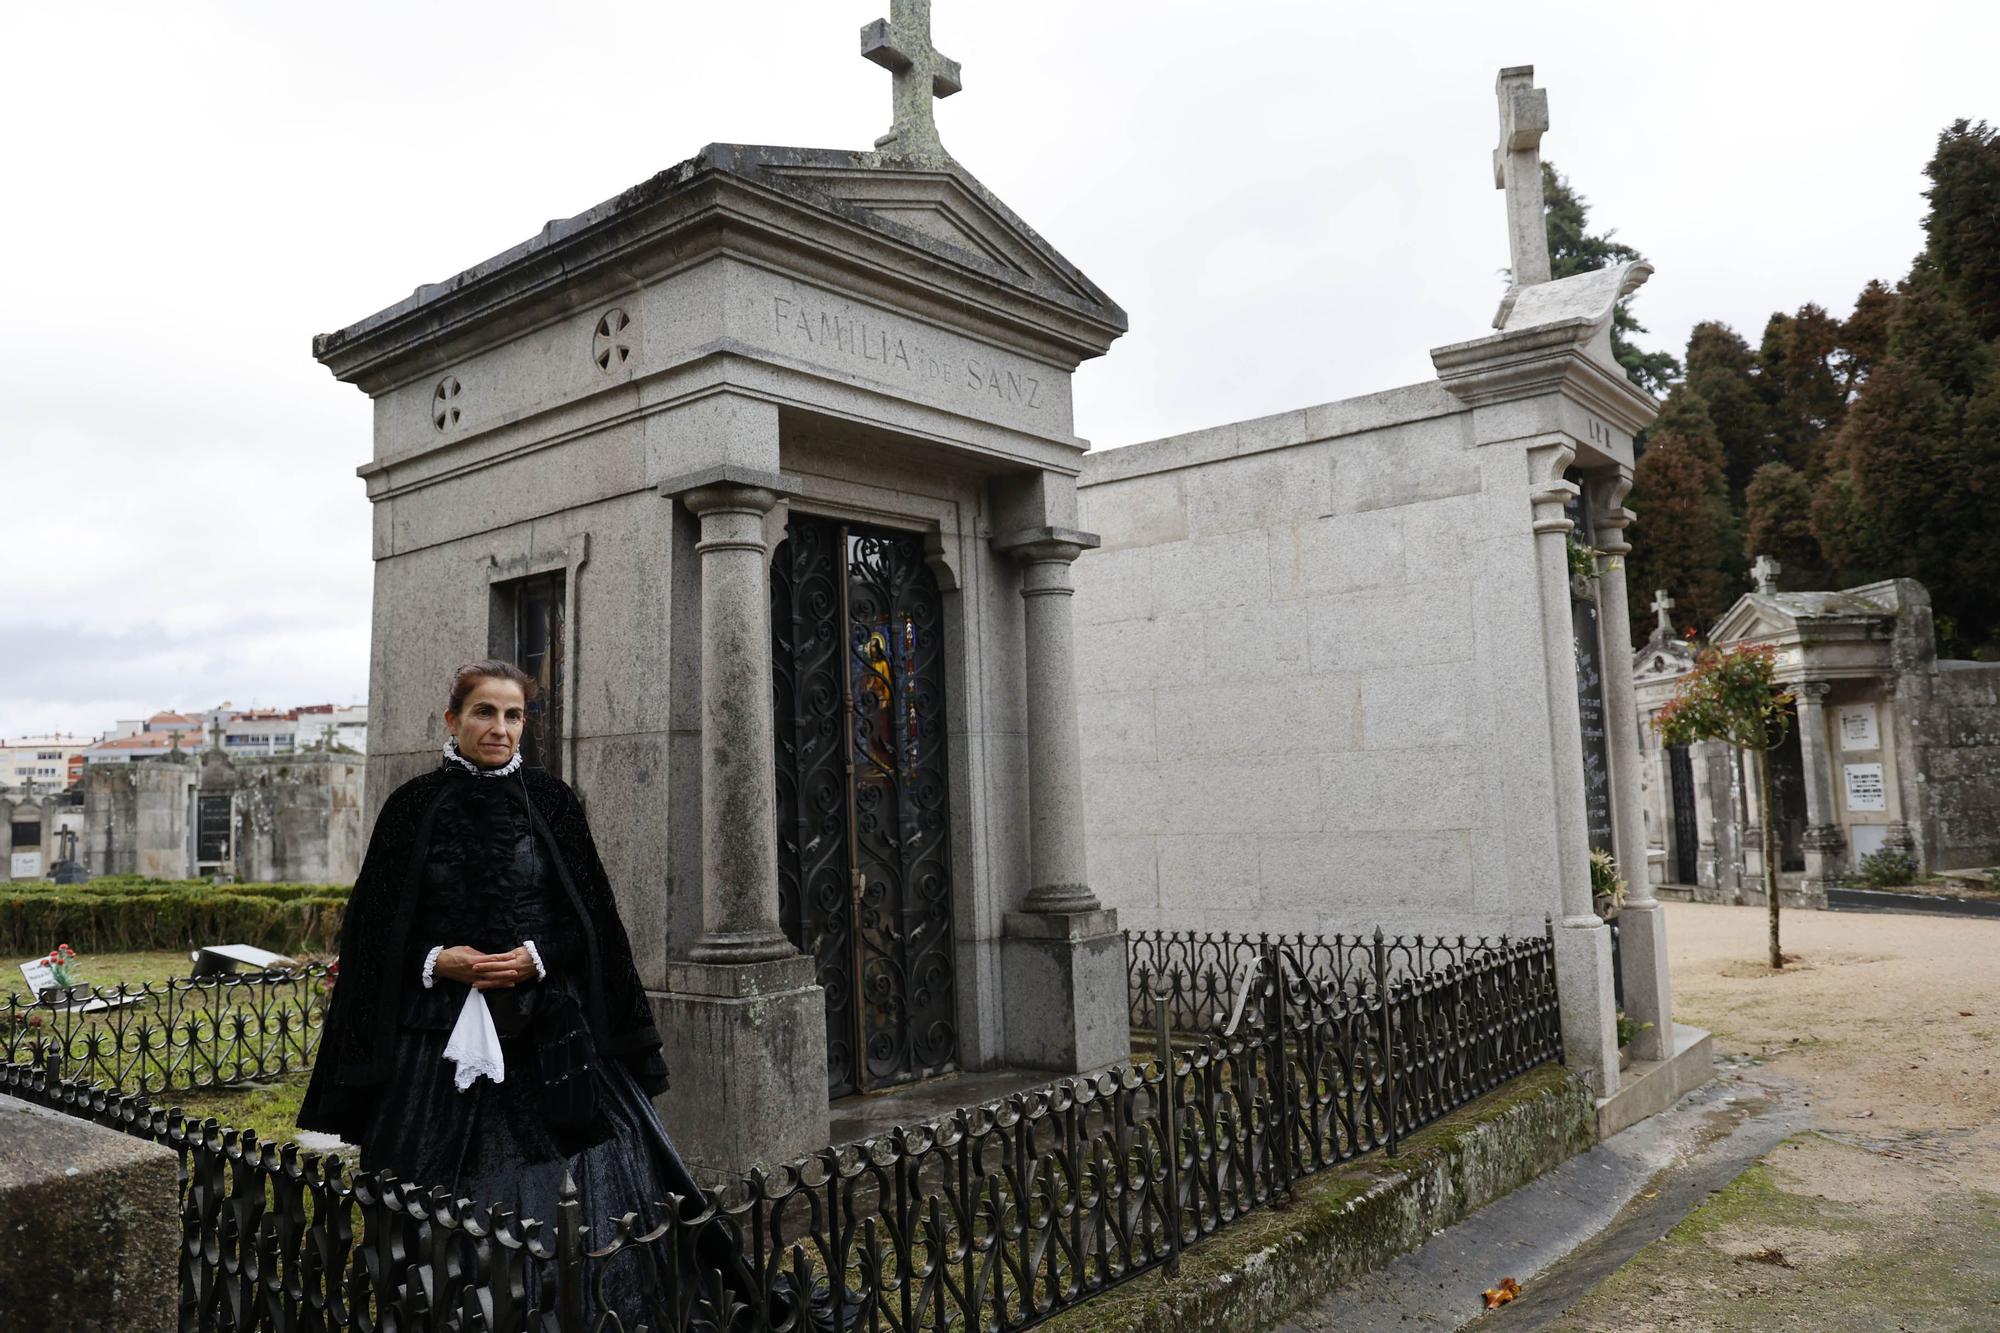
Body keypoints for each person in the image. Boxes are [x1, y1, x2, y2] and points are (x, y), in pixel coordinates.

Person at [300, 660, 757, 1320]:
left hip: (550, 1034)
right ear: (453, 720)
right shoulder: (410, 809)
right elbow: (375, 933)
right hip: (438, 1038)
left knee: (589, 1200)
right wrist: (439, 960)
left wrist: (536, 957)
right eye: (485, 712)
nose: (501, 727)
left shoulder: (552, 801)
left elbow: (590, 920)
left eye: (513, 715)